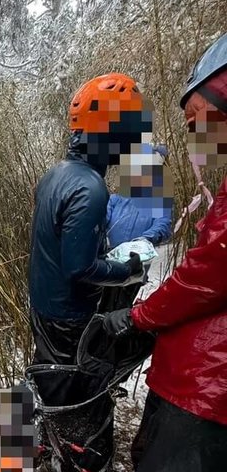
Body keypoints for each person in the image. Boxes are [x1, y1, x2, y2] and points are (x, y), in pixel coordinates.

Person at [102, 33, 227, 472]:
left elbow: (208, 271)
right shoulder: (119, 195)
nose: (194, 131)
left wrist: (139, 315)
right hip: (190, 383)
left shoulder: (160, 199)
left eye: (198, 116)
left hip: (205, 394)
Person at [29, 73, 148, 369]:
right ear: (111, 131)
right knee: (76, 396)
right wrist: (127, 271)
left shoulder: (56, 174)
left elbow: (61, 247)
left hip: (46, 310)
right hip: (69, 319)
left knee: (52, 383)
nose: (137, 138)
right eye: (132, 127)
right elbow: (79, 268)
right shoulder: (90, 188)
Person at [98, 143, 172, 313]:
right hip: (108, 261)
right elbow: (102, 218)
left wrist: (144, 240)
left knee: (120, 309)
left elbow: (163, 225)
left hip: (135, 266)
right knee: (101, 306)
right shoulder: (117, 198)